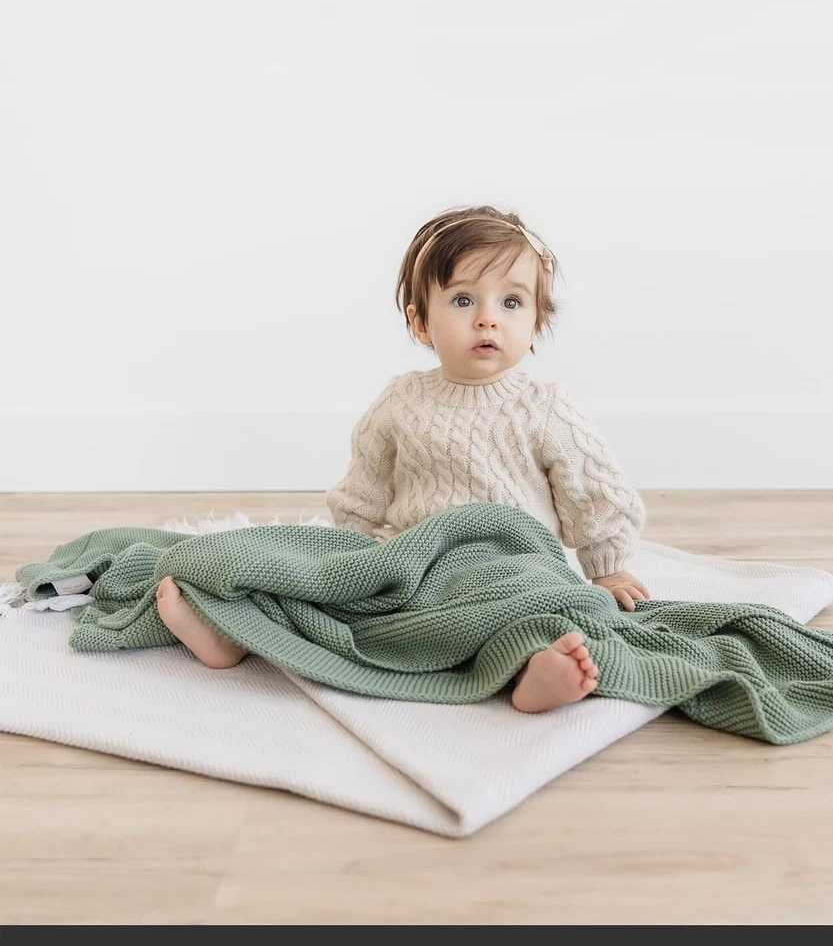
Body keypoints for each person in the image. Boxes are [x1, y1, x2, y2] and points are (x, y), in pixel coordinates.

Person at [156, 204, 651, 713]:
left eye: (511, 302)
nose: (487, 317)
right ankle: (235, 632)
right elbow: (362, 491)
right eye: (463, 299)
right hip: (414, 564)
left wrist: (607, 568)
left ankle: (534, 670)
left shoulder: (547, 407)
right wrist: (349, 561)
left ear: (537, 321)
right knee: (297, 572)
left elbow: (594, 492)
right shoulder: (400, 402)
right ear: (420, 323)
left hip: (507, 564)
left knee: (544, 602)